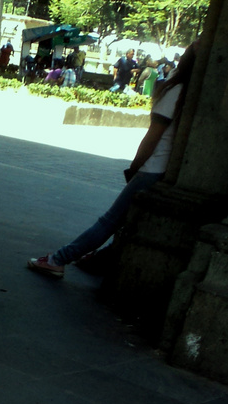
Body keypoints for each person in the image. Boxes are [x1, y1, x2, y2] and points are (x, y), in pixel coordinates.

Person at [27, 40, 199, 280]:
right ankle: (94, 259)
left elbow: (153, 137)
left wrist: (135, 166)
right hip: (166, 169)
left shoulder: (175, 91)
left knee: (109, 220)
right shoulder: (193, 94)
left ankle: (59, 259)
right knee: (125, 220)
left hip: (153, 167)